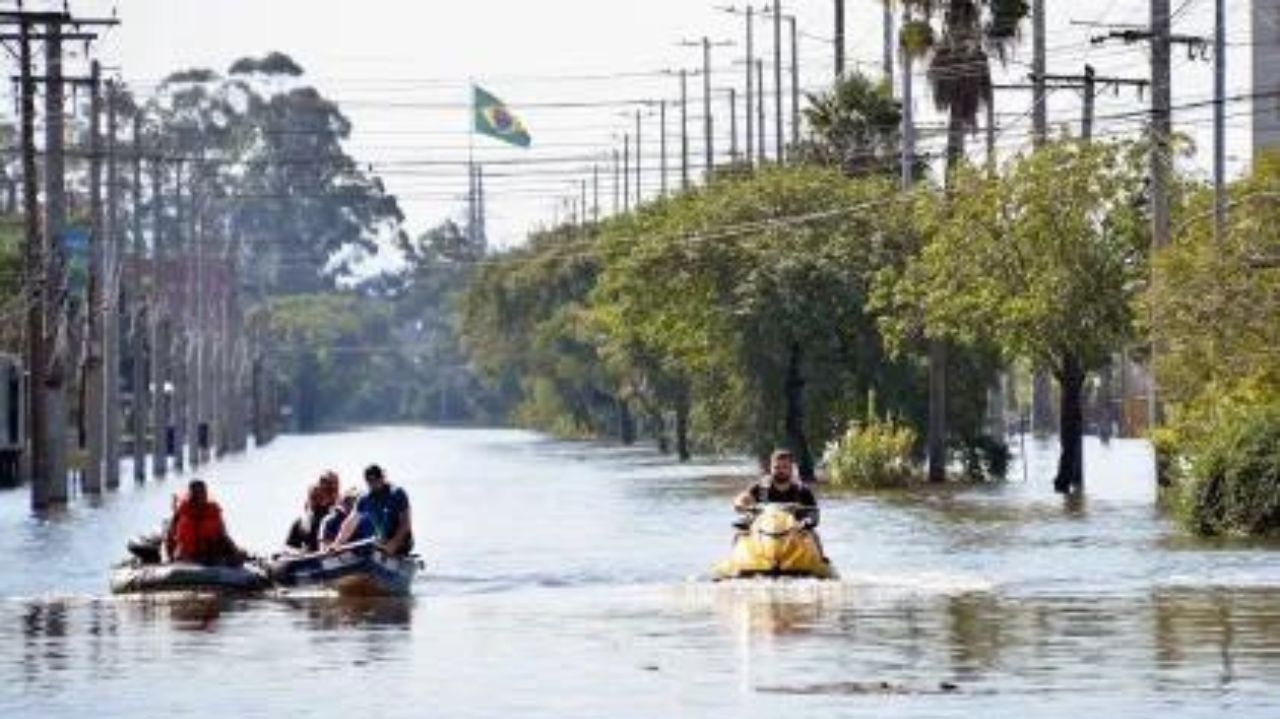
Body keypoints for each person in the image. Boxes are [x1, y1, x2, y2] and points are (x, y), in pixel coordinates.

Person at [334, 464, 413, 556]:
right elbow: (350, 522)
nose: (373, 484)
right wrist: (337, 544)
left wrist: (393, 544)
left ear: (382, 478)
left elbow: (406, 523)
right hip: (382, 541)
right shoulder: (364, 498)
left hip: (401, 542)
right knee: (366, 548)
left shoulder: (397, 493)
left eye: (375, 480)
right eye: (369, 481)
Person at [164, 479, 245, 566]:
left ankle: (228, 559)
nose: (200, 495)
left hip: (211, 552)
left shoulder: (213, 511)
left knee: (225, 548)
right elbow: (170, 536)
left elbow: (223, 535)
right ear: (191, 494)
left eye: (202, 491)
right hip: (187, 555)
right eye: (196, 492)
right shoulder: (182, 512)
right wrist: (169, 557)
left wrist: (234, 551)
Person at [733, 449, 820, 527]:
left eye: (785, 467)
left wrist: (808, 520)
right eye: (776, 467)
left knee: (814, 536)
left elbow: (814, 513)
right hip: (764, 533)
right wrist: (742, 505)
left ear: (791, 469)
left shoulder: (802, 491)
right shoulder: (760, 488)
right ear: (770, 468)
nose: (780, 471)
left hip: (794, 534)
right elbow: (742, 499)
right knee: (740, 534)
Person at [284, 480, 335, 553]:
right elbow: (288, 547)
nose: (317, 500)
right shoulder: (300, 522)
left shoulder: (332, 518)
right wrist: (299, 553)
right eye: (314, 497)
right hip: (309, 559)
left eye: (320, 496)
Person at [318, 486, 373, 551]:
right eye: (348, 500)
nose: (352, 504)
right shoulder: (329, 521)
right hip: (338, 557)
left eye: (355, 501)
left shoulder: (366, 519)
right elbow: (324, 548)